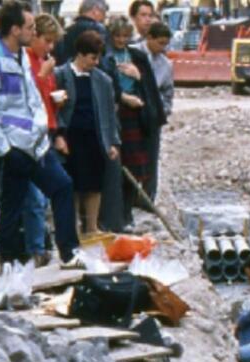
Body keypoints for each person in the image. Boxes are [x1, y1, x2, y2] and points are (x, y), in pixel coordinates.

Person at [0, 0, 79, 264]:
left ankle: (68, 252)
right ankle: (9, 261)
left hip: (33, 144)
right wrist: (5, 149)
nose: (33, 30)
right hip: (15, 146)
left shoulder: (19, 57)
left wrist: (41, 133)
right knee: (13, 204)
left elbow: (31, 100)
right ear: (15, 29)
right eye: (29, 26)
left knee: (57, 189)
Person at [102, 16, 166, 229]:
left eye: (125, 36)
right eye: (117, 36)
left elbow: (149, 87)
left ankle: (127, 212)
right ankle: (116, 216)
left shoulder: (137, 56)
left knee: (135, 167)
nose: (121, 40)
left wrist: (138, 77)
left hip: (136, 115)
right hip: (116, 114)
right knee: (117, 168)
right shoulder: (105, 56)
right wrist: (121, 97)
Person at [54, 30, 120, 236]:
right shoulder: (61, 75)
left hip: (95, 137)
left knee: (94, 184)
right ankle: (71, 227)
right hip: (71, 137)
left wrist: (112, 142)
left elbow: (110, 113)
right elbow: (53, 109)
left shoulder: (103, 80)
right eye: (93, 57)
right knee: (71, 184)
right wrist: (58, 134)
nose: (96, 62)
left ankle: (91, 227)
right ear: (81, 54)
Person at [25, 13, 65, 266]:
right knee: (35, 196)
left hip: (47, 129)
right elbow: (27, 98)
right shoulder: (28, 62)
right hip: (31, 133)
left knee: (44, 194)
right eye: (47, 41)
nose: (50, 48)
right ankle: (36, 248)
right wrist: (42, 75)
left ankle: (41, 243)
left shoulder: (42, 61)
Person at [142, 22, 174, 201]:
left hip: (153, 116)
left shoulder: (165, 64)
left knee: (151, 158)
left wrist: (164, 110)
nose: (163, 48)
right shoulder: (133, 54)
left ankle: (148, 197)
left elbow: (168, 92)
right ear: (149, 38)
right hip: (132, 114)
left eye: (165, 44)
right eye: (160, 43)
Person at [56, 0, 108, 64]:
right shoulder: (99, 29)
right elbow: (103, 59)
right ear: (95, 10)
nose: (104, 17)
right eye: (103, 13)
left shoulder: (66, 31)